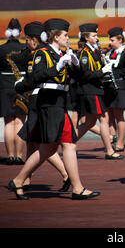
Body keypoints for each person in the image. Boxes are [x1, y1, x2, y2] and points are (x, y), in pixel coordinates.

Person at [8, 18, 100, 200]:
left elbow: (79, 77)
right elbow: (37, 75)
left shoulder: (62, 54)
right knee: (55, 147)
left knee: (55, 148)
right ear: (56, 37)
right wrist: (57, 66)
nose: (68, 38)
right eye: (65, 35)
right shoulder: (43, 53)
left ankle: (20, 181)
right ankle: (75, 187)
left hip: (59, 102)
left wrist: (77, 65)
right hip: (49, 103)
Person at [15, 21, 70, 192]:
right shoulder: (45, 53)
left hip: (40, 100)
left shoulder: (41, 54)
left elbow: (34, 79)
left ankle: (65, 175)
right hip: (43, 99)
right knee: (36, 142)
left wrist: (19, 86)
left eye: (28, 39)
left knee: (41, 142)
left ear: (33, 39)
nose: (27, 43)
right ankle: (25, 180)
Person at [75, 23, 124, 160]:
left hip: (96, 89)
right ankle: (109, 150)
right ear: (86, 37)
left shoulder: (94, 50)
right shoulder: (84, 53)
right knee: (104, 118)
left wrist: (105, 64)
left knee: (89, 123)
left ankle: (69, 142)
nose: (97, 38)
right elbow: (85, 74)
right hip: (90, 90)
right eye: (94, 35)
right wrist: (102, 71)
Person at [0, 18, 27, 164]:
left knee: (9, 123)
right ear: (20, 32)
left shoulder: (1, 49)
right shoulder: (25, 49)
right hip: (21, 87)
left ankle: (10, 155)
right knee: (20, 121)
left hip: (5, 88)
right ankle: (19, 156)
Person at [103, 27, 125, 153]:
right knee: (109, 114)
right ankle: (112, 138)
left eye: (112, 39)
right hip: (109, 86)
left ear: (120, 39)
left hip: (119, 85)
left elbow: (119, 66)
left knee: (119, 115)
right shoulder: (110, 52)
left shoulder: (124, 52)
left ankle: (120, 142)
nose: (110, 41)